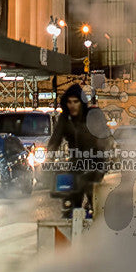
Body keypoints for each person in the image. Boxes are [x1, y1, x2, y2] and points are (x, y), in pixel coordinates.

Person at [46, 82, 111, 218]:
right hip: (75, 164)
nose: (72, 105)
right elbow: (55, 140)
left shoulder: (92, 116)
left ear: (81, 102)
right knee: (70, 199)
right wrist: (49, 157)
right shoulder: (65, 119)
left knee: (95, 200)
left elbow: (104, 139)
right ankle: (70, 220)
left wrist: (102, 160)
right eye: (69, 102)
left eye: (76, 101)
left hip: (95, 163)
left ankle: (96, 220)